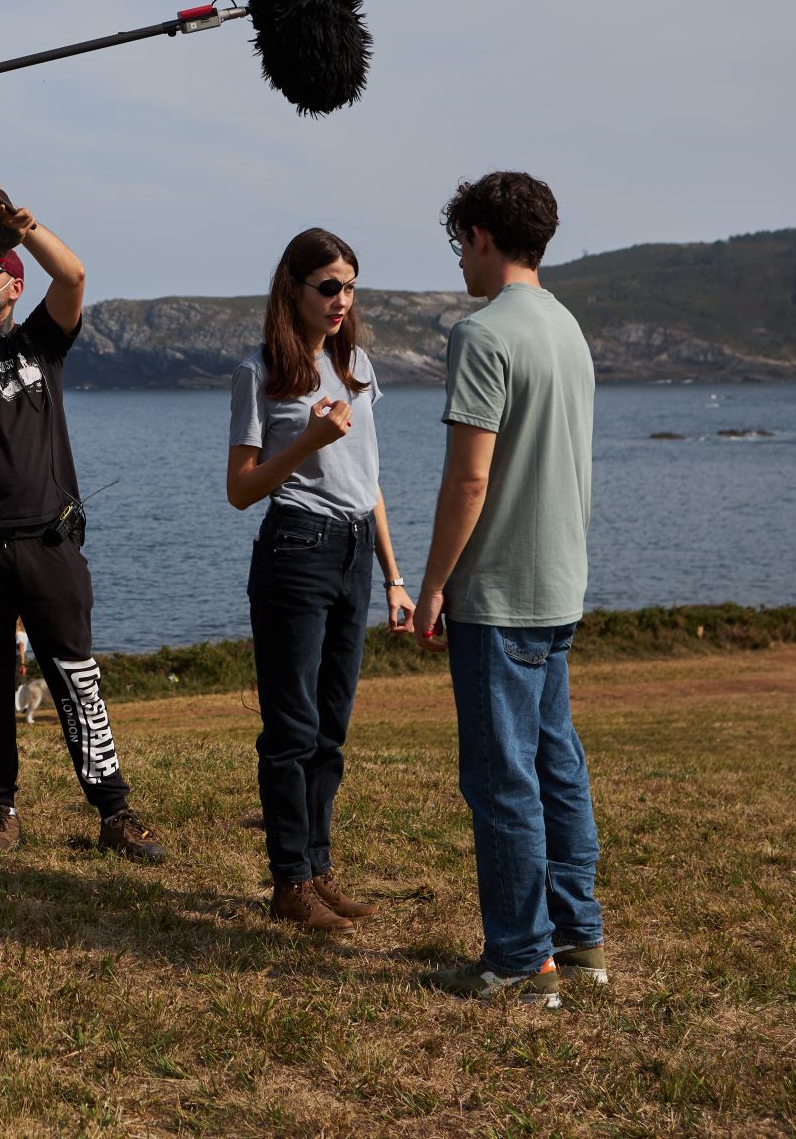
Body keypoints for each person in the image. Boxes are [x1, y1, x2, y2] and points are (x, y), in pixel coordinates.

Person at [0, 172, 165, 861]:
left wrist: (18, 229)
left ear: (17, 286)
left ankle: (113, 808)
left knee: (74, 671)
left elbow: (76, 273)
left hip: (48, 540)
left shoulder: (41, 343)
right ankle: (0, 807)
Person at [412, 172, 604, 1009]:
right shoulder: (568, 328)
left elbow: (468, 481)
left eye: (460, 241)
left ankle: (523, 960)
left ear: (484, 236)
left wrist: (431, 585)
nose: (459, 258)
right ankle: (579, 936)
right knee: (556, 762)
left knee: (503, 777)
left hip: (497, 590)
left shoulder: (483, 334)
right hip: (560, 581)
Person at [227, 228, 415, 930]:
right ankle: (289, 881)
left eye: (351, 286)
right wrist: (307, 440)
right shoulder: (259, 371)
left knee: (331, 727)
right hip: (296, 549)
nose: (343, 299)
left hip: (355, 551)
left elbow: (370, 482)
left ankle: (319, 867)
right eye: (329, 286)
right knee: (292, 726)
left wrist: (396, 577)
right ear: (294, 289)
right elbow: (240, 489)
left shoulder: (356, 362)